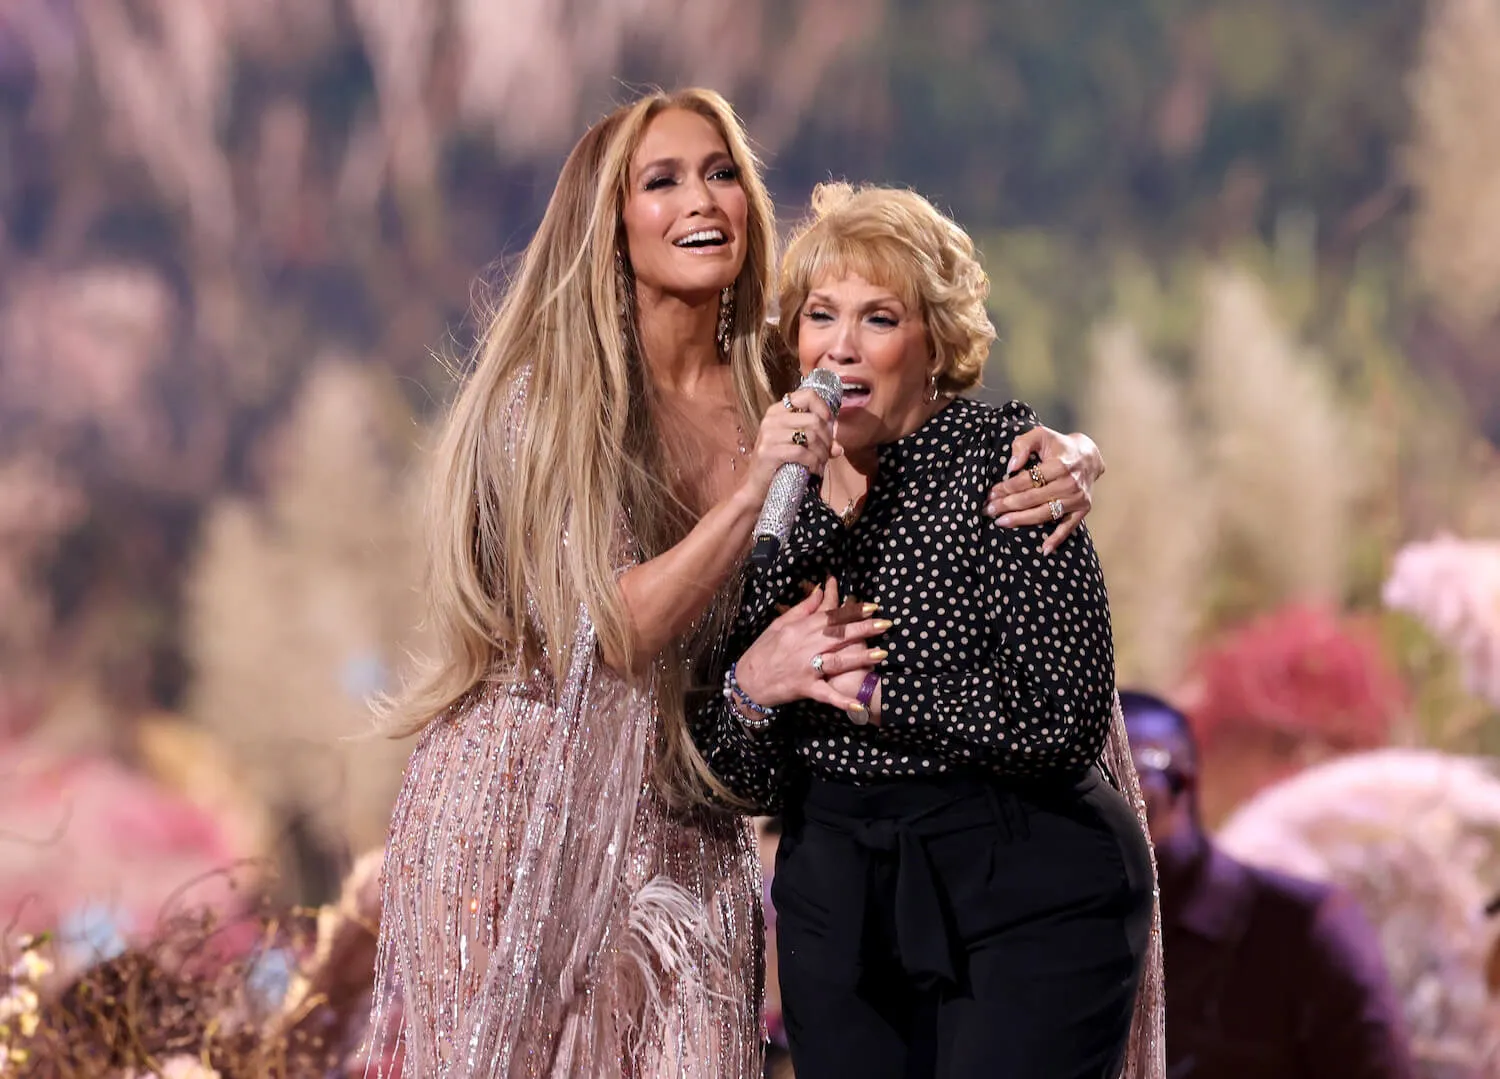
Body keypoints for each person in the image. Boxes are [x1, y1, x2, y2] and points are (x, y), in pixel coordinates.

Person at [366, 91, 1106, 1077]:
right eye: (661, 180)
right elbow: (611, 633)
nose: (700, 199)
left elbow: (919, 392)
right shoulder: (545, 398)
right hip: (530, 805)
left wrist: (1073, 451)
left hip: (691, 806)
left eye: (720, 172)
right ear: (608, 219)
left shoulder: (777, 370)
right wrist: (753, 487)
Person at [692, 183, 1164, 1079]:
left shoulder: (1010, 462)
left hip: (1026, 882)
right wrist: (756, 690)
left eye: (879, 318)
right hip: (839, 900)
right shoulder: (773, 502)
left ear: (934, 343)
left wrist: (880, 695)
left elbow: (1060, 718)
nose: (841, 345)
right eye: (820, 316)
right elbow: (746, 777)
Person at [1119, 690, 1416, 1079]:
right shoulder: (1058, 934)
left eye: (1131, 777)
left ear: (1184, 781)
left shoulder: (1302, 929)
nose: (1108, 804)